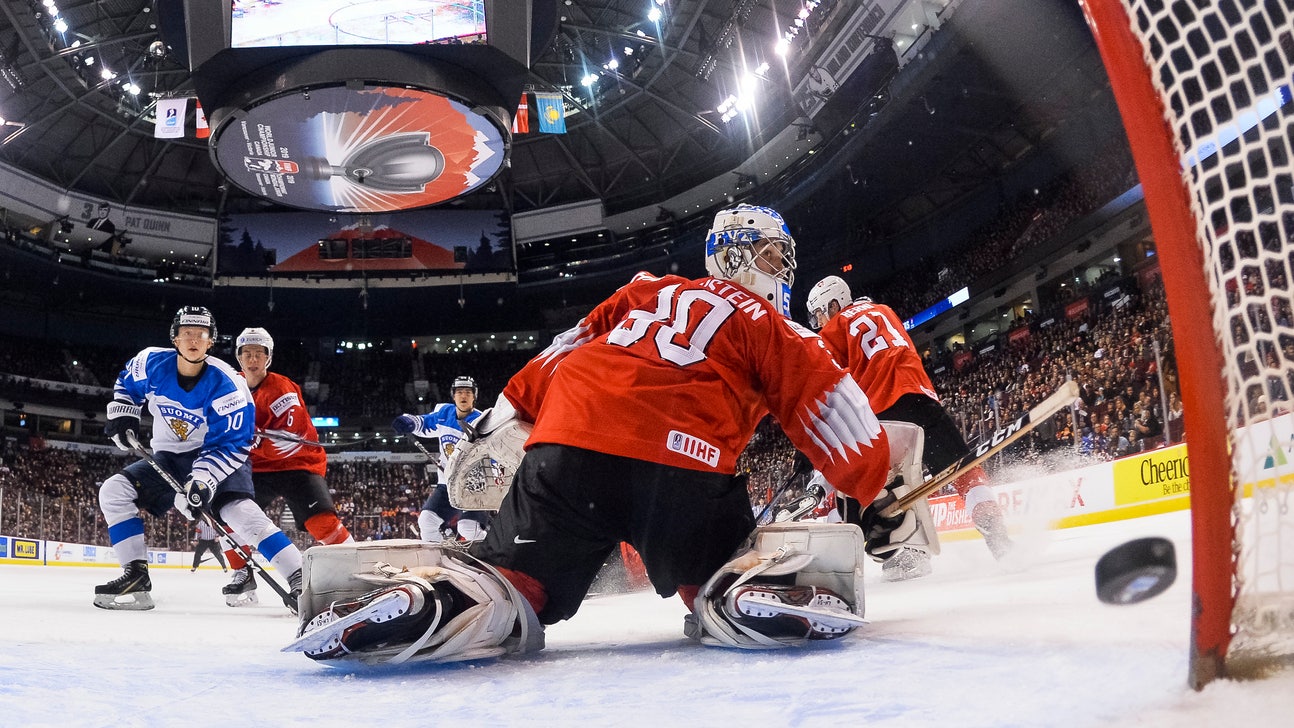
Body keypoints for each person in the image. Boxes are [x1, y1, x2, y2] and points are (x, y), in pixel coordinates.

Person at [288, 204, 893, 664]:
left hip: (568, 445)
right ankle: (735, 595)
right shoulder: (772, 325)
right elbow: (834, 407)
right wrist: (872, 488)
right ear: (733, 257)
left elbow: (560, 351)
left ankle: (441, 604)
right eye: (771, 255)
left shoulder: (646, 290)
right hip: (683, 458)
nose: (782, 269)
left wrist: (501, 420)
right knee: (712, 574)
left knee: (512, 585)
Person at [94, 306, 303, 611]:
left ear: (211, 341)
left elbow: (232, 443)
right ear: (175, 339)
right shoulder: (150, 363)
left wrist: (203, 480)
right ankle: (135, 575)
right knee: (114, 491)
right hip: (168, 459)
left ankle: (300, 576)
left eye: (201, 334)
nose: (193, 340)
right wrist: (124, 412)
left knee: (238, 513)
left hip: (217, 456)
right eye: (187, 333)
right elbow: (127, 384)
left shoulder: (228, 384)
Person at [805, 275, 1013, 579]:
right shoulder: (883, 310)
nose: (820, 321)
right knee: (964, 472)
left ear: (833, 305)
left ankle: (904, 554)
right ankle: (1001, 542)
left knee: (877, 488)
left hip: (882, 413)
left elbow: (826, 382)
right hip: (922, 399)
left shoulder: (834, 330)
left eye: (820, 313)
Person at [222, 326, 353, 606]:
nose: (253, 359)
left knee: (321, 523)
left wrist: (245, 438)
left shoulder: (282, 389)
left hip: (298, 464)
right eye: (247, 353)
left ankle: (356, 570)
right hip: (257, 468)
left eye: (259, 353)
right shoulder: (230, 386)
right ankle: (242, 572)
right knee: (226, 510)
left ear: (268, 357)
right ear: (239, 357)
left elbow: (288, 443)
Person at [392, 376, 490, 543]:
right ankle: (436, 556)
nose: (463, 396)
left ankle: (491, 552)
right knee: (427, 521)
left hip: (474, 486)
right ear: (453, 395)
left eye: (468, 392)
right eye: (459, 392)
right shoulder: (445, 413)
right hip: (448, 484)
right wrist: (409, 421)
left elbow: (493, 452)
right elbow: (424, 423)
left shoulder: (482, 421)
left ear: (474, 396)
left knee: (468, 528)